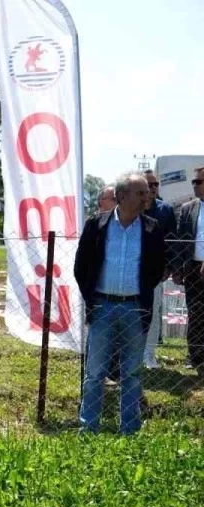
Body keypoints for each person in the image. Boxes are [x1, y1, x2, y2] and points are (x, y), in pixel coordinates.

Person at [74, 172, 166, 434]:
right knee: (94, 374)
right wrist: (91, 299)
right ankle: (88, 428)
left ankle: (129, 430)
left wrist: (141, 292)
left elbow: (157, 268)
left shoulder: (152, 228)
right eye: (141, 192)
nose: (147, 196)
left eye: (147, 192)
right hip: (102, 307)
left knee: (132, 374)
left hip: (135, 309)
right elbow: (81, 267)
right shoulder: (96, 225)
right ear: (121, 196)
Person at [140, 170, 177, 369]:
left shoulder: (166, 210)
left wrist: (169, 267)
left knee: (153, 314)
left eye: (156, 185)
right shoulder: (131, 208)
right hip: (130, 271)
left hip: (155, 273)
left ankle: (149, 355)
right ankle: (132, 354)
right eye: (149, 184)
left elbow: (173, 242)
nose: (153, 188)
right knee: (131, 313)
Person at [172, 165, 204, 376]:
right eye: (193, 181)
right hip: (193, 268)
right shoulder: (187, 209)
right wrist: (177, 268)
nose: (194, 185)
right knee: (195, 313)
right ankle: (196, 359)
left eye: (198, 182)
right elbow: (180, 242)